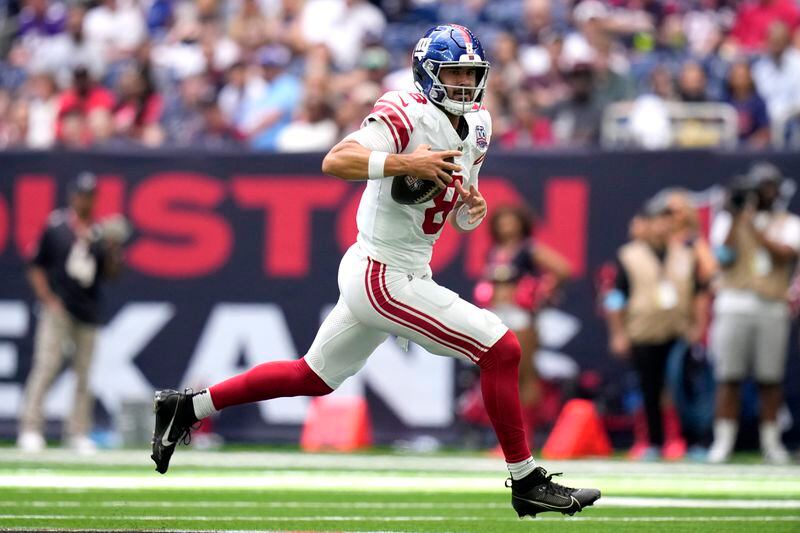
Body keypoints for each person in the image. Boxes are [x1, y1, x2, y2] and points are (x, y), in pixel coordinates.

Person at [150, 23, 600, 518]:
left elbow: (450, 196)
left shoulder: (479, 124)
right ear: (428, 75)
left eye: (472, 74)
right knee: (501, 348)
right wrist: (403, 163)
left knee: (312, 376)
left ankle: (188, 407)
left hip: (400, 269)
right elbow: (336, 159)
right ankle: (525, 480)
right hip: (383, 272)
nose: (465, 85)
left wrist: (469, 207)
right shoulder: (405, 111)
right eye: (454, 74)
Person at [17, 172, 125, 454]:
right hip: (60, 307)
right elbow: (36, 264)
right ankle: (30, 428)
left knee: (84, 373)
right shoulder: (57, 226)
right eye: (82, 194)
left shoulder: (99, 233)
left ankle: (77, 431)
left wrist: (114, 249)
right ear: (72, 196)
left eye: (90, 195)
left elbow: (111, 274)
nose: (86, 200)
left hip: (88, 309)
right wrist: (47, 298)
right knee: (47, 365)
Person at [707, 162, 800, 464]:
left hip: (772, 304)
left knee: (770, 378)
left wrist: (757, 229)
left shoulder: (788, 222)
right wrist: (736, 218)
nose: (762, 193)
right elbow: (723, 256)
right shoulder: (728, 219)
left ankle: (771, 443)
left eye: (767, 187)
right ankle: (723, 443)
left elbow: (785, 252)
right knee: (728, 376)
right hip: (734, 302)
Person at [604, 196, 709, 460]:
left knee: (683, 389)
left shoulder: (685, 254)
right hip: (644, 330)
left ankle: (692, 441)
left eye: (667, 220)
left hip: (678, 330)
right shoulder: (629, 255)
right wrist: (618, 332)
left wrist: (699, 325)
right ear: (647, 224)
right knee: (649, 388)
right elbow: (616, 296)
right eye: (657, 220)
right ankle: (653, 442)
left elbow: (699, 292)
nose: (662, 226)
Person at [474, 204, 571, 445]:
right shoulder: (494, 251)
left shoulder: (529, 249)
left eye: (512, 220)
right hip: (496, 313)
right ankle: (506, 437)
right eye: (502, 221)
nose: (507, 226)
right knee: (499, 374)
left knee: (524, 373)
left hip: (520, 316)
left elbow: (562, 269)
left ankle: (525, 434)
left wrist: (542, 291)